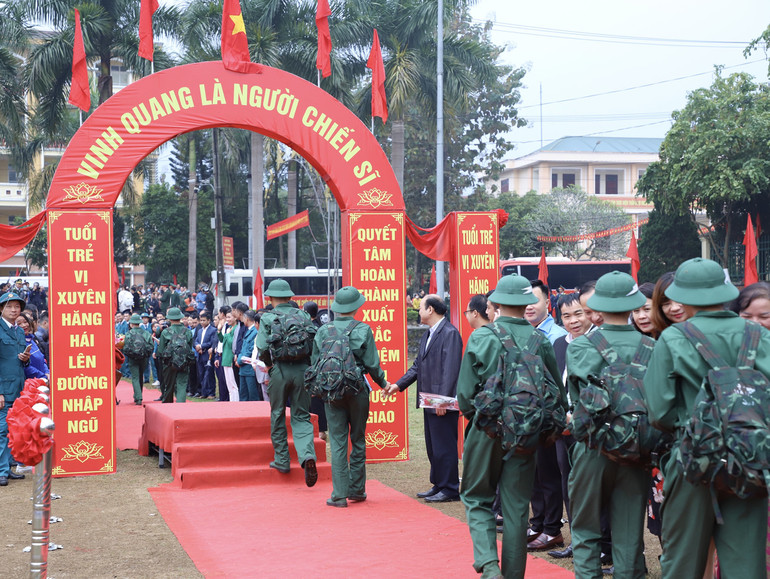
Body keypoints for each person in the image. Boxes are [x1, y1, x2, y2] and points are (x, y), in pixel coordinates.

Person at [644, 258, 770, 578]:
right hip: (749, 458)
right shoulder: (759, 335)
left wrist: (696, 428)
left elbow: (659, 412)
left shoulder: (673, 338)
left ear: (682, 298)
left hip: (691, 461)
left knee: (683, 560)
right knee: (746, 564)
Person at [457, 274, 564, 579]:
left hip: (487, 429)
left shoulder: (482, 337)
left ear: (495, 304)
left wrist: (479, 419)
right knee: (517, 507)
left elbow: (465, 394)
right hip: (526, 432)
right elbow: (556, 390)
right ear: (527, 304)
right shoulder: (541, 340)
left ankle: (490, 567)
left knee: (477, 498)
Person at [566, 271, 651, 578]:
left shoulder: (581, 347)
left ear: (598, 307)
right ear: (635, 305)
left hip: (593, 449)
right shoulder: (652, 347)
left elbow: (579, 401)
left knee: (586, 530)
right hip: (636, 449)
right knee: (629, 536)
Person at [311, 286, 392, 507]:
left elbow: (315, 363)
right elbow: (373, 364)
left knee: (337, 441)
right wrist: (384, 383)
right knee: (357, 438)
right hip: (357, 391)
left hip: (332, 391)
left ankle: (338, 495)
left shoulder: (323, 330)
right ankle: (357, 490)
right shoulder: (363, 329)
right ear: (356, 307)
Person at [395, 294, 463, 503]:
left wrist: (442, 400)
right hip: (428, 400)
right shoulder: (429, 334)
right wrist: (398, 385)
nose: (418, 311)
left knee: (445, 446)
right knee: (433, 446)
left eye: (421, 308)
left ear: (431, 309)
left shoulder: (450, 333)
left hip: (441, 401)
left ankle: (451, 488)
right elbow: (417, 366)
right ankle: (439, 483)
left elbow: (451, 370)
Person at [256, 279, 318, 487]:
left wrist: (270, 365)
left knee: (278, 413)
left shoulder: (268, 317)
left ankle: (282, 460)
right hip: (302, 369)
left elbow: (262, 346)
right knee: (301, 416)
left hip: (279, 370)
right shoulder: (302, 315)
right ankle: (307, 455)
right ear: (290, 297)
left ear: (270, 298)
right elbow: (313, 342)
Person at [548, 292, 593, 560]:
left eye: (578, 313)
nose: (573, 320)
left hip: (587, 427)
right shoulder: (558, 345)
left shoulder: (596, 343)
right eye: (566, 316)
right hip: (562, 427)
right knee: (568, 484)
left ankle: (598, 544)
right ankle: (577, 541)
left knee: (590, 487)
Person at [523, 280, 568, 552]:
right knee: (534, 476)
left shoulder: (557, 336)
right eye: (525, 301)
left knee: (549, 476)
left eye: (535, 300)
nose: (529, 306)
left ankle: (552, 530)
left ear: (547, 301)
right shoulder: (523, 332)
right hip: (526, 417)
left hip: (548, 419)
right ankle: (537, 524)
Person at [0, 291, 31, 486]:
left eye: (17, 306)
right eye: (10, 306)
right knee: (2, 429)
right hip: (4, 388)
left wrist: (26, 360)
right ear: (2, 308)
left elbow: (19, 361)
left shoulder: (19, 331)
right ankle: (2, 470)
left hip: (18, 387)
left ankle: (8, 466)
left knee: (13, 428)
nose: (14, 310)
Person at [156, 307, 193, 403]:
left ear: (169, 319)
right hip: (184, 362)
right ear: (180, 317)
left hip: (169, 363)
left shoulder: (165, 332)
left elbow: (160, 350)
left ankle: (168, 408)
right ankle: (180, 406)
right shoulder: (187, 331)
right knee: (182, 385)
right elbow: (189, 347)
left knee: (169, 386)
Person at [303, 301, 327, 439]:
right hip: (321, 367)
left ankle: (319, 430)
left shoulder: (308, 329)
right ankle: (321, 429)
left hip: (311, 367)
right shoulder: (322, 328)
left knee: (314, 401)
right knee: (318, 400)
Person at [124, 314, 152, 405]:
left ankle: (138, 397)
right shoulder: (146, 333)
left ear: (131, 324)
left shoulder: (128, 334)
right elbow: (151, 346)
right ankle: (138, 395)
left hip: (132, 358)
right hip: (144, 358)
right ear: (139, 323)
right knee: (140, 376)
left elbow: (125, 347)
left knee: (135, 377)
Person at [215, 308, 239, 402]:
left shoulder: (236, 329)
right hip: (224, 358)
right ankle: (231, 403)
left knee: (233, 385)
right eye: (227, 317)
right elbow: (222, 340)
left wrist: (228, 335)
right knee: (229, 385)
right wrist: (219, 330)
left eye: (229, 317)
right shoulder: (229, 328)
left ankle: (235, 402)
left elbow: (232, 343)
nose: (227, 319)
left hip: (230, 358)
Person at [237, 310, 261, 401]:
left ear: (246, 318)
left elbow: (250, 350)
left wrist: (239, 360)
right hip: (243, 368)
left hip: (249, 368)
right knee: (243, 395)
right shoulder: (249, 330)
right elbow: (243, 348)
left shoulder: (255, 331)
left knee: (252, 395)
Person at [194, 310, 217, 399]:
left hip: (208, 355)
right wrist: (197, 346)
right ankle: (204, 392)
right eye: (201, 320)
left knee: (209, 374)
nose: (202, 322)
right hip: (200, 354)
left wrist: (201, 346)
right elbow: (196, 340)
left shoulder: (213, 330)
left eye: (204, 320)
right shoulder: (199, 331)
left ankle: (211, 393)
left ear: (209, 320)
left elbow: (211, 342)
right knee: (201, 374)